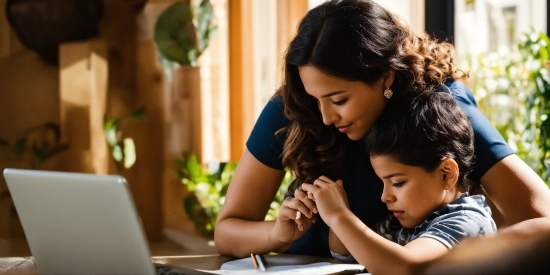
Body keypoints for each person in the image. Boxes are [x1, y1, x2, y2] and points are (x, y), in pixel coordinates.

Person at [214, 0, 550, 259]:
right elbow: (228, 231)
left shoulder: (440, 109)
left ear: (384, 77)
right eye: (316, 99)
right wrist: (276, 234)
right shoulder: (297, 108)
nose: (325, 116)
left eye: (339, 99)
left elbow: (541, 219)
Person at [300, 91, 497, 274]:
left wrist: (338, 215)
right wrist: (334, 210)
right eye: (382, 183)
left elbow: (406, 266)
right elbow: (351, 256)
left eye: (397, 183)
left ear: (446, 174)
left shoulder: (468, 221)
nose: (385, 197)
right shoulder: (416, 220)